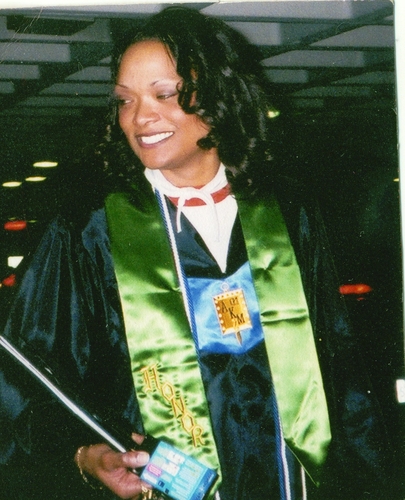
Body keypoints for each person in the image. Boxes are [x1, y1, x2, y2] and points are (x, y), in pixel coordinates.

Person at [0, 6, 397, 500]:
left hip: (293, 483)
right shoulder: (90, 229)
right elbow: (26, 373)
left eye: (164, 94)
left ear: (218, 97)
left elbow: (339, 364)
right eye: (124, 100)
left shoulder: (287, 211)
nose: (140, 117)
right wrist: (85, 454)